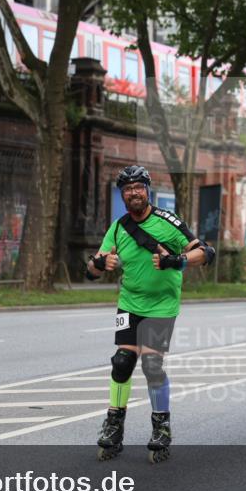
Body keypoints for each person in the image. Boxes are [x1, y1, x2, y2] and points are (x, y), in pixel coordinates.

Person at [86, 165, 215, 463]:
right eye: (127, 189)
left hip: (162, 305)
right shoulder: (118, 227)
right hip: (130, 302)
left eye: (138, 187)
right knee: (122, 361)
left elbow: (205, 252)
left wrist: (176, 260)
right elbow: (92, 269)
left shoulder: (168, 222)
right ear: (123, 195)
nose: (133, 193)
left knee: (152, 365)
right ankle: (114, 425)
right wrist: (98, 263)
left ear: (148, 190)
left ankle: (161, 427)